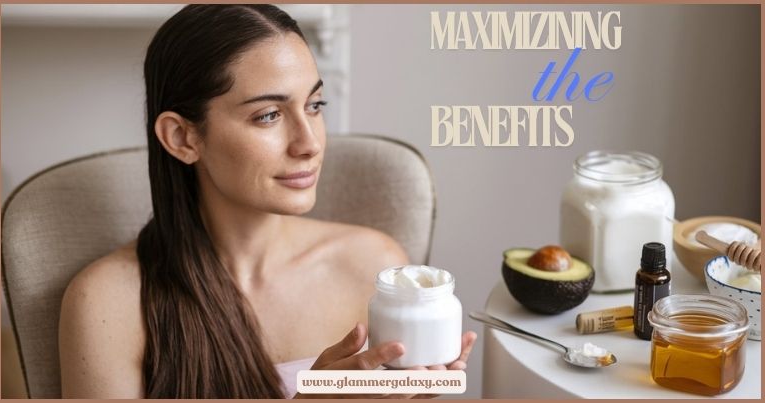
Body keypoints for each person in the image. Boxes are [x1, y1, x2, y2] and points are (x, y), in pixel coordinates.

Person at [58, 4, 476, 399]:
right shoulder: (107, 304)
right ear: (183, 138)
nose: (309, 143)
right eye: (268, 115)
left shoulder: (372, 266)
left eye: (314, 105)